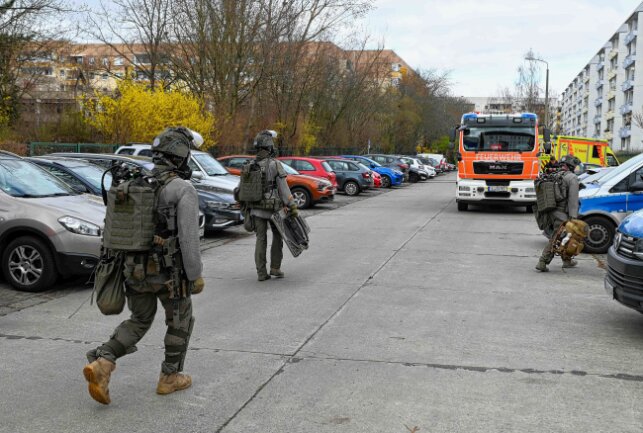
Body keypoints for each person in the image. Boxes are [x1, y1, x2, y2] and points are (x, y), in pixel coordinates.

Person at [83, 127, 205, 405]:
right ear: (181, 156)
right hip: (169, 274)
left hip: (132, 269)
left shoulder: (134, 183)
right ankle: (169, 378)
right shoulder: (181, 188)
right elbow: (188, 239)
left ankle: (103, 362)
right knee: (180, 319)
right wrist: (195, 275)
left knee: (140, 319)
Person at [244, 130, 297, 281]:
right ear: (269, 147)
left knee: (260, 239)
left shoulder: (249, 165)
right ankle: (275, 268)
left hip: (255, 208)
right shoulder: (275, 164)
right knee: (278, 237)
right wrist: (292, 205)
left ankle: (261, 273)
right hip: (274, 209)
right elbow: (283, 188)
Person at [536, 154, 581, 272]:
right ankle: (542, 261)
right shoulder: (572, 178)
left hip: (550, 211)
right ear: (571, 166)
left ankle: (567, 260)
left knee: (565, 237)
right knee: (557, 237)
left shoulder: (555, 175)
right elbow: (573, 200)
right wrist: (573, 217)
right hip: (561, 213)